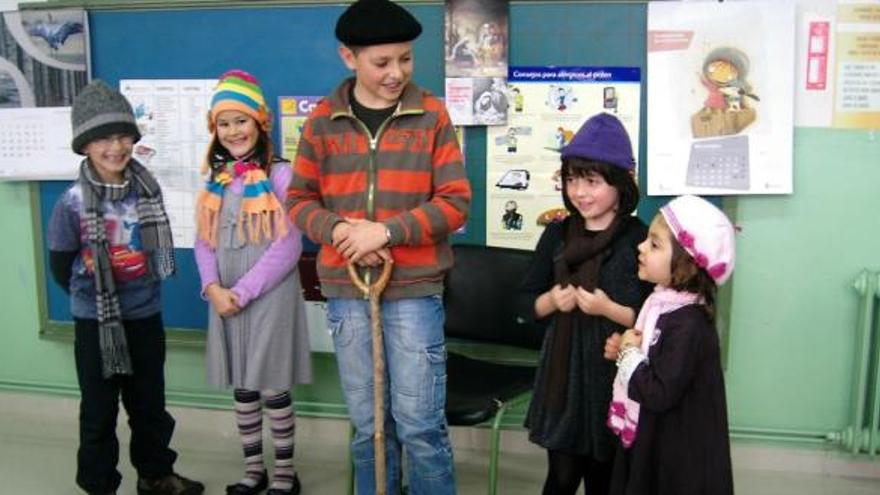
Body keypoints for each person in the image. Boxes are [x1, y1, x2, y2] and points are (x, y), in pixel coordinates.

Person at [287, 1, 471, 493]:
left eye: (405, 59)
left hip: (413, 288)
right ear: (349, 57)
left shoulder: (431, 115)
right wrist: (344, 233)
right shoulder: (323, 121)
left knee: (419, 424)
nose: (396, 73)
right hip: (348, 290)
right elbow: (299, 200)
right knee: (369, 426)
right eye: (382, 62)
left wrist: (386, 232)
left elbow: (455, 203)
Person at [47, 80, 203, 495]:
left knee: (149, 407)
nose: (115, 147)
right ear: (84, 146)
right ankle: (100, 485)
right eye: (101, 138)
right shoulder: (72, 202)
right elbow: (60, 266)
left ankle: (155, 476)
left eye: (122, 136)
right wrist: (94, 299)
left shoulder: (148, 191)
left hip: (145, 317)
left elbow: (156, 255)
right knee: (98, 413)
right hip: (96, 323)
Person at [516, 112, 652, 495]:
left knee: (603, 478)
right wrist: (551, 300)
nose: (580, 192)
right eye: (573, 179)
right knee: (560, 477)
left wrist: (608, 310)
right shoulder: (558, 233)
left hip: (613, 375)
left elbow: (652, 318)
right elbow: (526, 302)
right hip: (563, 375)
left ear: (620, 184)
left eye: (592, 181)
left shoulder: (637, 238)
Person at [194, 70, 312, 495]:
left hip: (268, 297)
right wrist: (212, 289)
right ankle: (253, 470)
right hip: (224, 299)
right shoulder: (216, 179)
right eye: (223, 123)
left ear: (260, 123)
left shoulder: (281, 175)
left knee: (271, 384)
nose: (232, 131)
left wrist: (242, 292)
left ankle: (284, 473)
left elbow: (288, 246)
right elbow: (203, 240)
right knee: (243, 386)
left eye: (240, 120)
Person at [607, 195, 735, 495]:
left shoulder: (688, 324)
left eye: (654, 244)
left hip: (676, 456)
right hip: (657, 440)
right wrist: (626, 352)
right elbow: (654, 360)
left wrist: (628, 354)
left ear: (687, 264)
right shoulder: (662, 305)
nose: (641, 247)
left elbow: (659, 392)